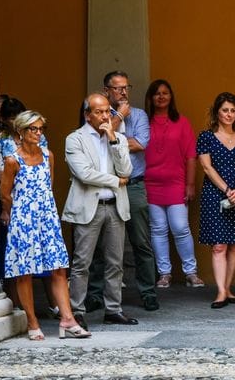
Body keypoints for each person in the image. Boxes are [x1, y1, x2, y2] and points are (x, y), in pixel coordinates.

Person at [0, 111, 90, 340]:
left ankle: (67, 319)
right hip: (23, 220)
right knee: (25, 271)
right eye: (33, 129)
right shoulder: (12, 160)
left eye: (41, 129)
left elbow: (48, 186)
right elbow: (5, 194)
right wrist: (16, 213)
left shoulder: (48, 155)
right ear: (21, 131)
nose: (38, 133)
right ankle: (32, 321)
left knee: (58, 268)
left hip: (47, 218)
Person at [63, 93, 138, 328]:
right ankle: (77, 311)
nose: (105, 116)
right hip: (89, 208)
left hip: (115, 207)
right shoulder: (75, 139)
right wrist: (116, 181)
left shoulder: (119, 138)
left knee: (115, 263)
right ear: (88, 115)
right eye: (99, 112)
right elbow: (84, 174)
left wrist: (113, 140)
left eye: (107, 111)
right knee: (82, 263)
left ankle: (113, 309)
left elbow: (126, 171)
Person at [86, 71, 159, 313]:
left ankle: (148, 292)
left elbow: (141, 144)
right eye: (118, 88)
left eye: (126, 87)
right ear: (106, 90)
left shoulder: (139, 115)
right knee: (99, 243)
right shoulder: (96, 114)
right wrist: (118, 117)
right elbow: (97, 142)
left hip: (134, 184)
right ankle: (95, 294)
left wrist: (112, 136)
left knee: (141, 242)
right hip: (106, 185)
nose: (124, 92)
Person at [144, 79, 205, 289]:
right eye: (157, 93)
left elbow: (191, 156)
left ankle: (191, 272)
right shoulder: (144, 122)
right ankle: (164, 274)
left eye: (165, 93)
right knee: (158, 229)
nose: (161, 97)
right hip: (150, 184)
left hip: (176, 183)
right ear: (151, 98)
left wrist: (190, 184)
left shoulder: (182, 122)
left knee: (180, 228)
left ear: (171, 97)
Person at [197, 92, 235, 308]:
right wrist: (228, 190)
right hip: (215, 195)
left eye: (232, 110)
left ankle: (228, 289)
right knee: (219, 246)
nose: (229, 114)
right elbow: (206, 167)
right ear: (217, 113)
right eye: (225, 110)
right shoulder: (206, 137)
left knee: (234, 246)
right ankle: (220, 291)